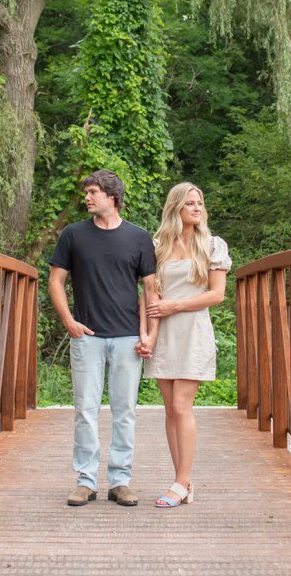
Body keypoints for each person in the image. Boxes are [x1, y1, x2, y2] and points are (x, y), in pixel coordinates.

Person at [47, 169, 159, 507]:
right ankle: (85, 481)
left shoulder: (139, 237)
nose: (88, 197)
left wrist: (149, 335)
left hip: (127, 338)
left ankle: (120, 481)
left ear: (112, 196)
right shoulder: (73, 235)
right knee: (85, 410)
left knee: (125, 411)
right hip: (87, 336)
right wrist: (69, 321)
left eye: (94, 191)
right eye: (87, 192)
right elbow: (55, 281)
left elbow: (150, 290)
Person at [138, 181, 232, 509]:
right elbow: (150, 295)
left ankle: (181, 480)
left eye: (200, 203)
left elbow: (217, 295)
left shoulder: (211, 245)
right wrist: (146, 334)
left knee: (181, 406)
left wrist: (173, 306)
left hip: (192, 328)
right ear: (175, 207)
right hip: (163, 331)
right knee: (169, 408)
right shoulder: (158, 245)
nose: (196, 208)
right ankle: (183, 480)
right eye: (190, 203)